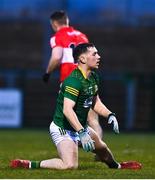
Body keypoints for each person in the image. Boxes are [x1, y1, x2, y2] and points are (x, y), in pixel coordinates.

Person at [10, 43, 141, 170]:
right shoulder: (74, 81)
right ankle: (29, 164)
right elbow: (67, 110)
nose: (98, 56)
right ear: (82, 59)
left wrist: (109, 114)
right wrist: (82, 132)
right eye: (94, 54)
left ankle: (117, 166)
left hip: (80, 127)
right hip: (64, 128)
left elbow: (95, 102)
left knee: (102, 148)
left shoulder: (93, 77)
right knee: (70, 165)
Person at [42, 10, 103, 139]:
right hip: (86, 78)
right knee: (92, 118)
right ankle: (100, 149)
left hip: (70, 80)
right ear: (67, 20)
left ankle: (68, 148)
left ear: (54, 23)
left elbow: (57, 57)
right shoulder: (82, 36)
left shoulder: (57, 36)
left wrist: (47, 73)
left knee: (65, 116)